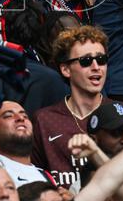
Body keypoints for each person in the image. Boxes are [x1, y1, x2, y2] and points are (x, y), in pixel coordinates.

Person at [31, 25, 111, 187]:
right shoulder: (43, 120)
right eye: (86, 61)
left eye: (101, 59)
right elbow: (34, 179)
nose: (96, 67)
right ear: (66, 69)